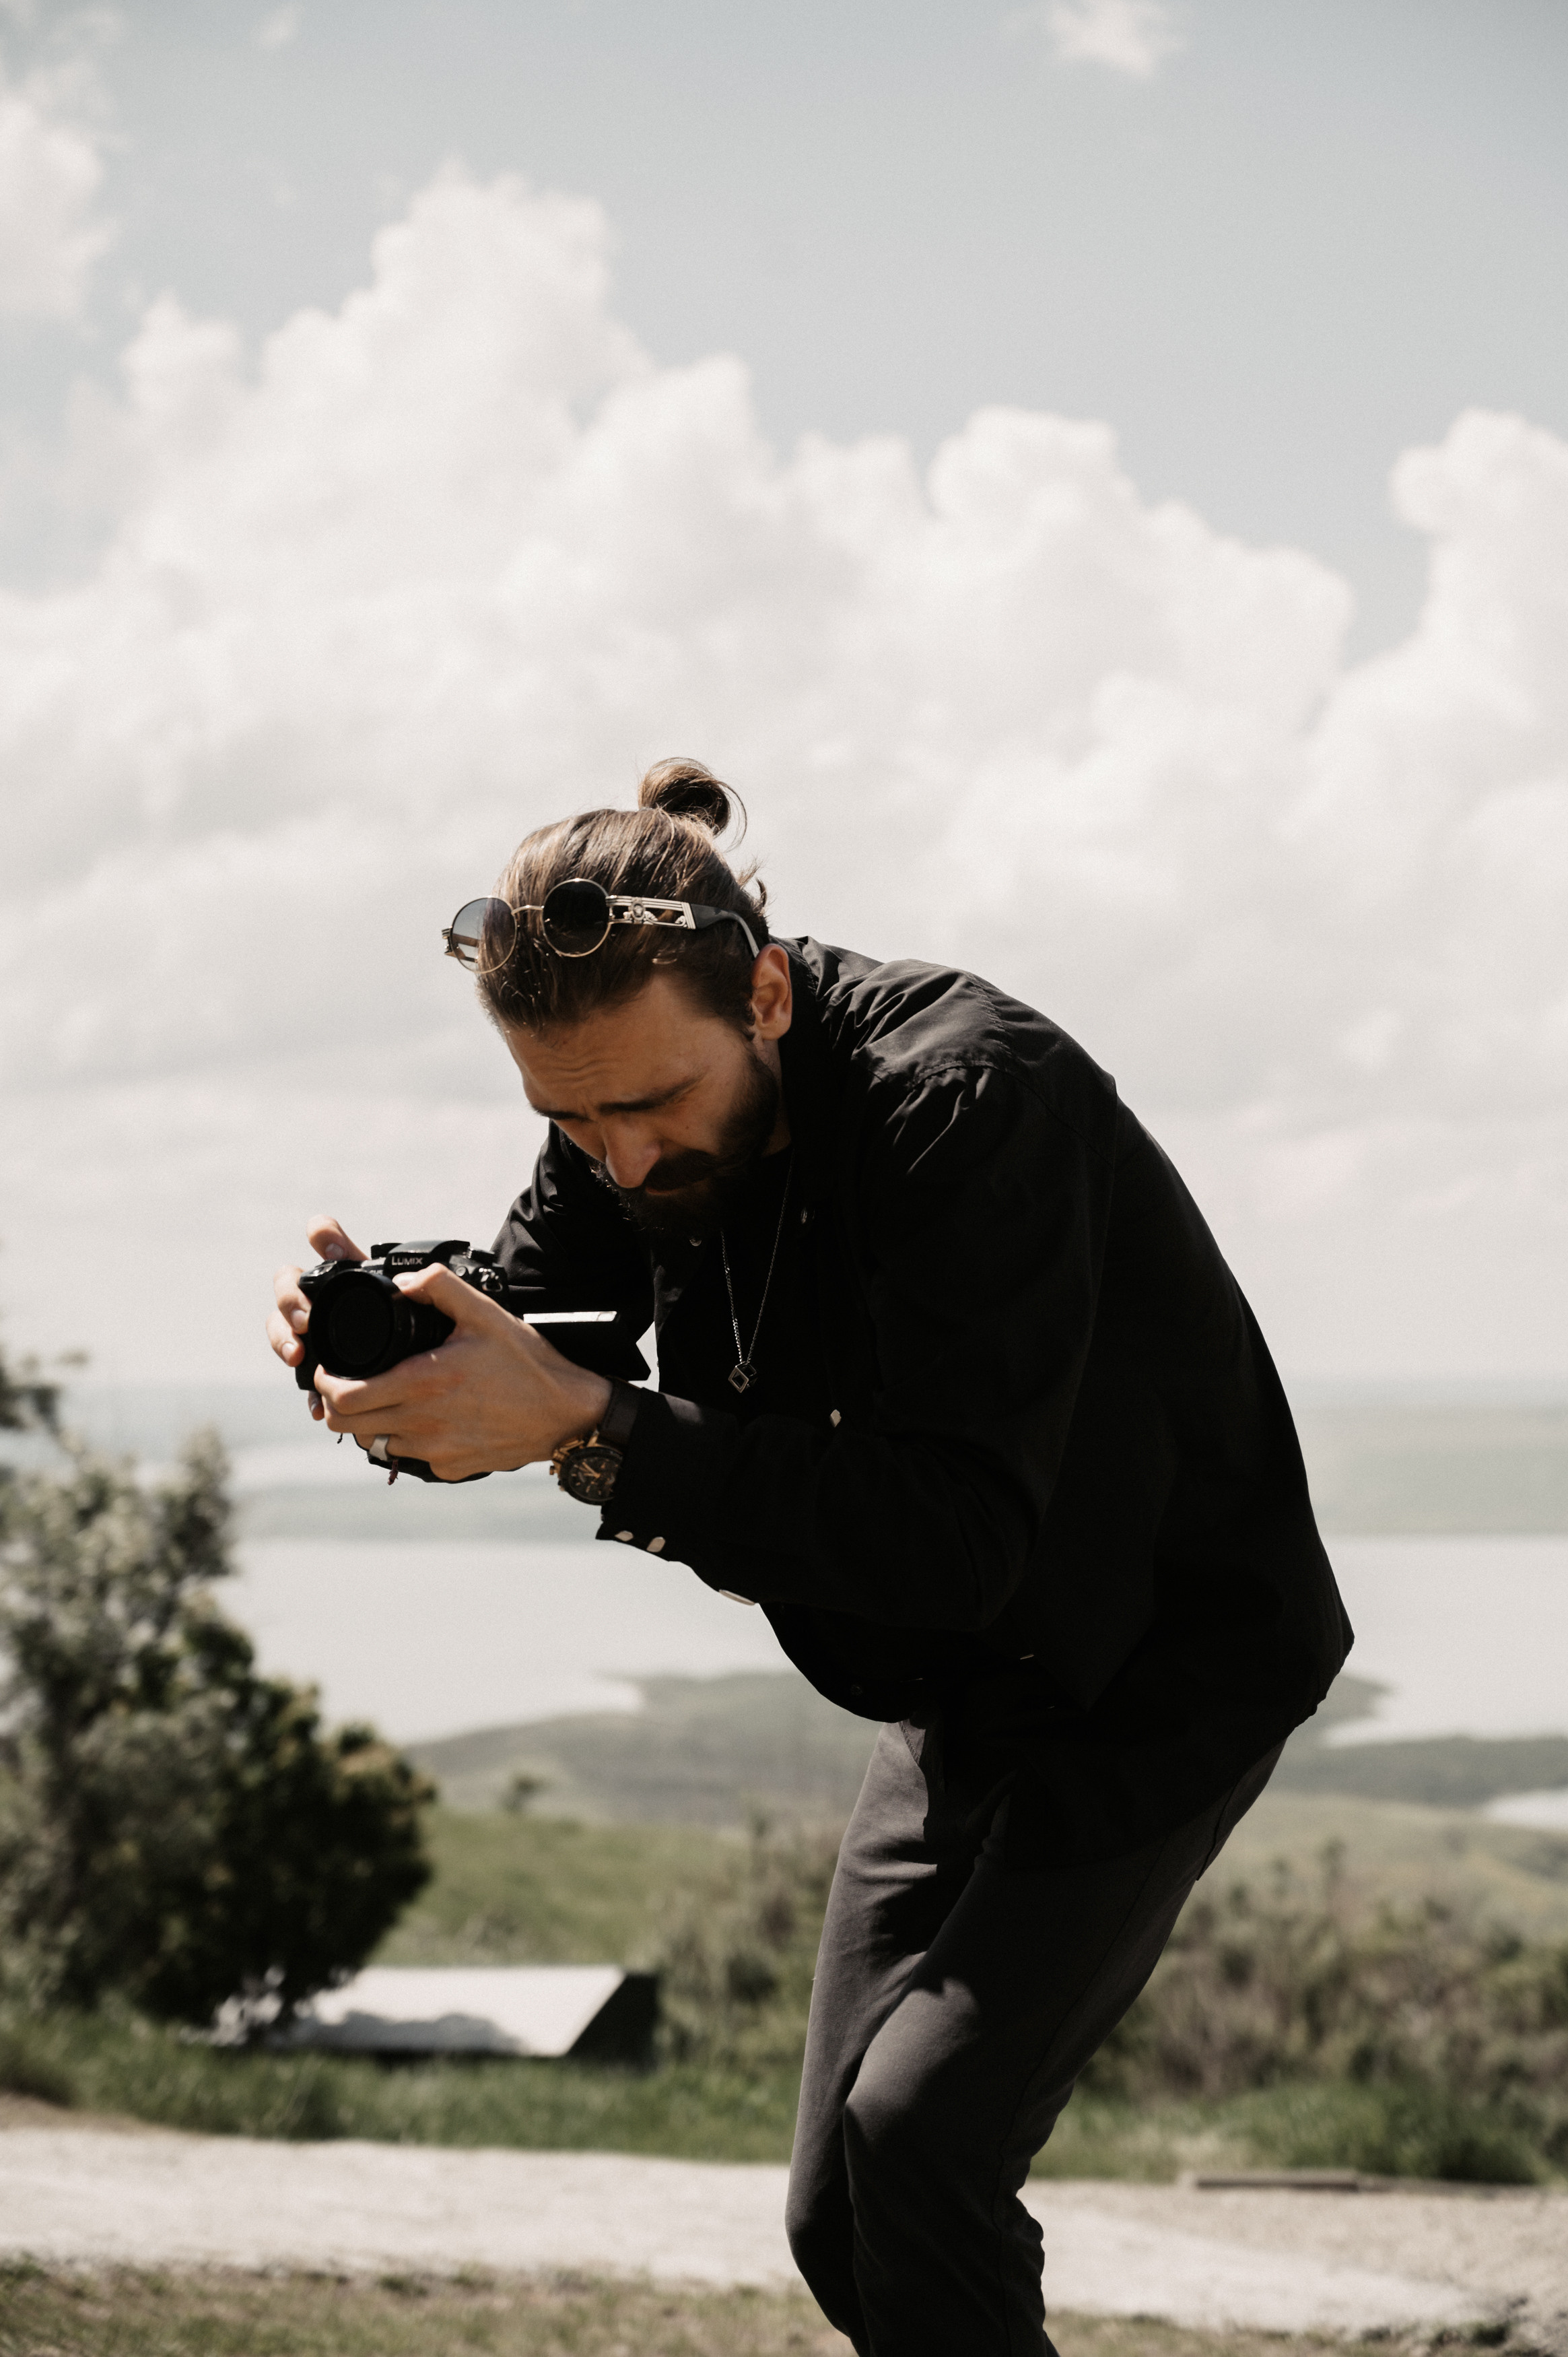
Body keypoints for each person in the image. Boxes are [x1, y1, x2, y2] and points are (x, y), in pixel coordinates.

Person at [268, 758, 1352, 2357]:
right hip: (954, 1680)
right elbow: (542, 1315)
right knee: (841, 2213)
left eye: (647, 1106)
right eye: (567, 1117)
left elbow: (956, 1537)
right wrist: (394, 1352)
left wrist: (589, 1430)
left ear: (764, 991)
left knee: (919, 2139)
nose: (620, 1158)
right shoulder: (620, 1112)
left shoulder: (966, 1097)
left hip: (1156, 1667)